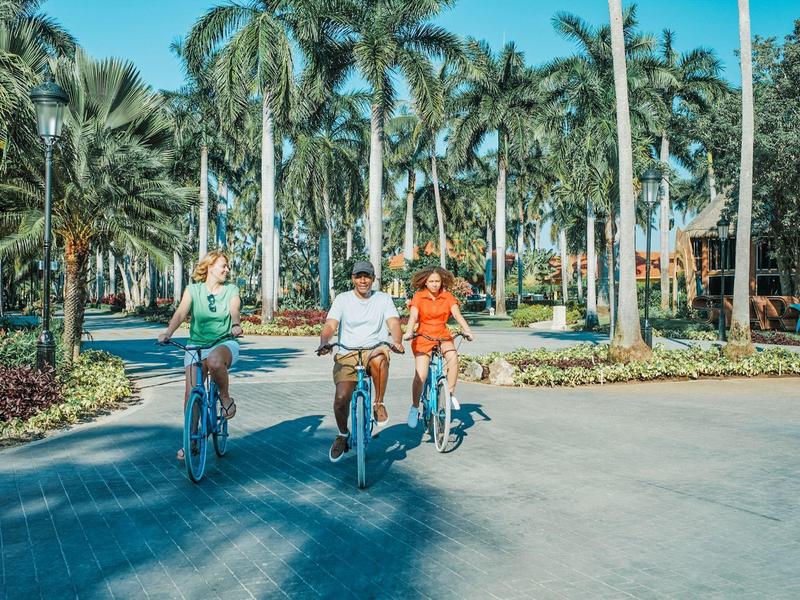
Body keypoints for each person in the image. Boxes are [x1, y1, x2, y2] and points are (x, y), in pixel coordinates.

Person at [316, 261, 405, 462]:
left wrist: (397, 341)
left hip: (374, 349)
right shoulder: (342, 299)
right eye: (358, 276)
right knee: (341, 398)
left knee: (381, 359)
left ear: (373, 278)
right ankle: (343, 434)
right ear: (353, 279)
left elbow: (394, 322)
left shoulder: (383, 299)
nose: (363, 280)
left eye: (367, 276)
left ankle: (379, 404)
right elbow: (331, 324)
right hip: (347, 353)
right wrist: (324, 342)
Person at [158, 251, 242, 460]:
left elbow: (234, 309)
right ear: (210, 267)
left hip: (223, 342)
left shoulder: (231, 290)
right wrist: (168, 333)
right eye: (223, 265)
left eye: (227, 266)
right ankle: (191, 440)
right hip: (196, 345)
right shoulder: (193, 290)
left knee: (214, 361)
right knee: (190, 393)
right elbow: (180, 313)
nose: (226, 270)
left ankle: (224, 397)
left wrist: (236, 325)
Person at [403, 266, 474, 428]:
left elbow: (457, 315)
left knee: (453, 358)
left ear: (442, 281)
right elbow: (413, 316)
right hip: (423, 336)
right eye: (431, 281)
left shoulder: (447, 297)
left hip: (442, 334)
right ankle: (414, 407)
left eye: (437, 281)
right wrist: (408, 332)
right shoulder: (419, 297)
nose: (435, 284)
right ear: (425, 283)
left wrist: (467, 330)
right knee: (421, 374)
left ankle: (449, 394)